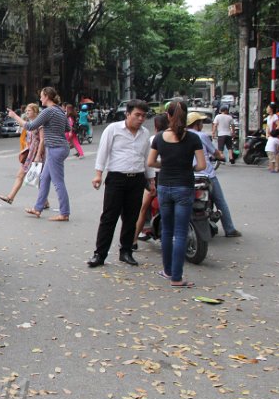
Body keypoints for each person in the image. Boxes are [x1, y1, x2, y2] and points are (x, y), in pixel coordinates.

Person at [87, 99, 153, 268]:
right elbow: (103, 152)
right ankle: (100, 254)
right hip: (116, 178)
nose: (140, 119)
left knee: (131, 218)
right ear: (128, 114)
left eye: (143, 116)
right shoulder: (113, 129)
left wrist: (151, 180)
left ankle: (126, 251)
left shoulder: (145, 133)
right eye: (137, 115)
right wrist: (98, 175)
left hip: (137, 179)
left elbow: (146, 159)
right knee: (109, 217)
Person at [147, 101, 206, 288]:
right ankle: (177, 278)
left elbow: (151, 162)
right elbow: (202, 165)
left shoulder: (159, 138)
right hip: (184, 187)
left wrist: (165, 165)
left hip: (164, 186)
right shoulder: (193, 138)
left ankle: (168, 270)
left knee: (167, 230)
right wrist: (189, 167)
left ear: (168, 116)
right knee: (180, 233)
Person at [7, 86, 71, 221]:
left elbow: (30, 126)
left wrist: (15, 116)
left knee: (58, 182)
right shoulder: (60, 110)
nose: (40, 98)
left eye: (42, 96)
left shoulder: (48, 111)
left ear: (47, 96)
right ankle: (37, 208)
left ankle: (64, 212)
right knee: (44, 179)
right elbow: (67, 128)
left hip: (55, 148)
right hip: (59, 147)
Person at [187, 111, 242, 238]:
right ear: (197, 124)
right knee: (220, 201)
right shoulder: (201, 136)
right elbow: (215, 152)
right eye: (200, 122)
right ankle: (229, 229)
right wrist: (221, 156)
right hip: (206, 176)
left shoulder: (182, 136)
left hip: (189, 175)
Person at [0, 103, 49, 207]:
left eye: (29, 111)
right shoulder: (31, 122)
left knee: (36, 177)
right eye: (26, 111)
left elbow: (42, 140)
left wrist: (38, 155)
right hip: (30, 153)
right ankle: (44, 202)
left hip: (36, 154)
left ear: (35, 112)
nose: (27, 112)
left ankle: (10, 197)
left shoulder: (39, 123)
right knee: (34, 177)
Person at [134, 114, 169, 249]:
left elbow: (148, 162)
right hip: (173, 177)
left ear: (155, 126)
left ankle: (133, 240)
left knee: (142, 210)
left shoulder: (153, 139)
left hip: (157, 177)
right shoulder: (176, 137)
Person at [265, 104, 279, 173]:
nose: (267, 109)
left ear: (271, 109)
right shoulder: (268, 117)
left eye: (268, 107)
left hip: (276, 137)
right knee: (275, 152)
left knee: (275, 152)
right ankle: (274, 166)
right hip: (271, 137)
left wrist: (273, 132)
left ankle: (276, 167)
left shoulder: (275, 116)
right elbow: (267, 126)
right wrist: (267, 134)